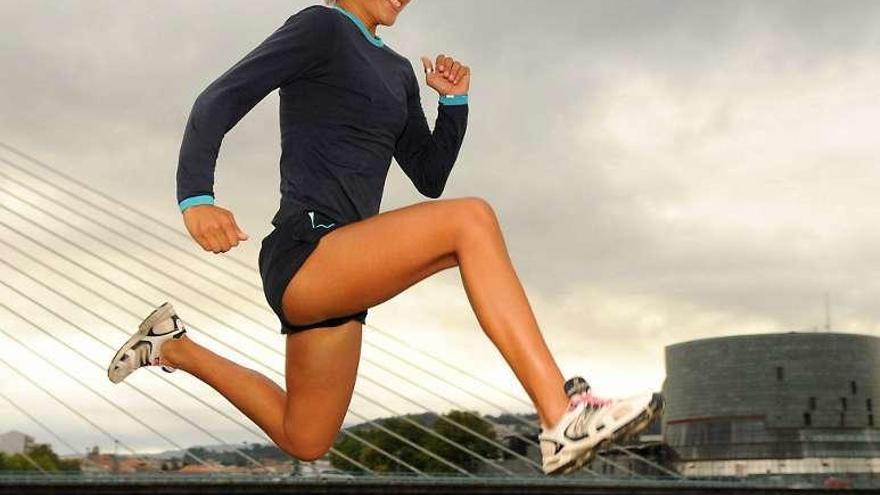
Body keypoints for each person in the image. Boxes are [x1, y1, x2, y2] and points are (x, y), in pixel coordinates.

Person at [106, 0, 663, 475]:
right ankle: (559, 414)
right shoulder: (320, 27)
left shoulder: (396, 71)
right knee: (470, 220)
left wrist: (454, 103)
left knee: (307, 438)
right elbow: (219, 99)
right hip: (307, 251)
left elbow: (428, 174)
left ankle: (171, 344)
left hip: (346, 275)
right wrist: (196, 197)